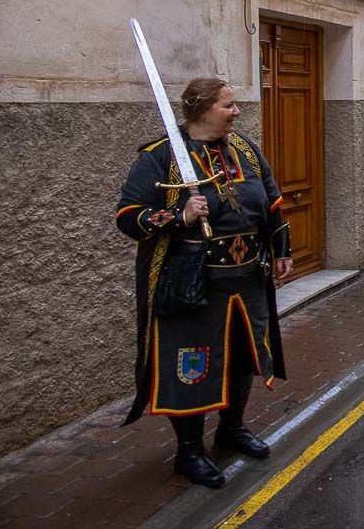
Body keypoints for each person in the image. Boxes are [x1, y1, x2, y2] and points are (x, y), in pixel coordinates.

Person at [116, 78, 291, 488]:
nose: (237, 112)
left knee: (243, 357)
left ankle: (232, 428)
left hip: (247, 278)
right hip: (193, 284)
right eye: (229, 105)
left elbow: (273, 204)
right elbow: (127, 215)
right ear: (203, 109)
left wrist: (281, 250)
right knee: (191, 367)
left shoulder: (245, 149)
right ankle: (189, 452)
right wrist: (179, 217)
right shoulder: (160, 157)